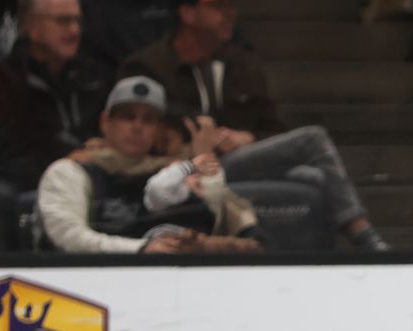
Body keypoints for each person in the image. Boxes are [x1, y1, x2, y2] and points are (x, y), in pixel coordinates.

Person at [118, 0, 389, 251]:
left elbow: (274, 129)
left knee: (315, 178)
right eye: (218, 6)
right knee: (313, 139)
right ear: (187, 13)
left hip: (236, 163)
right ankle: (363, 234)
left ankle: (324, 258)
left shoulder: (241, 62)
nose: (230, 13)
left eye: (232, 5)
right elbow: (142, 134)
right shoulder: (149, 67)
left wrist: (247, 137)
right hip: (184, 173)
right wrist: (196, 147)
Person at [37, 75, 263, 253]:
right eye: (127, 116)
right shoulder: (71, 171)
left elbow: (225, 220)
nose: (137, 127)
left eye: (148, 120)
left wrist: (207, 172)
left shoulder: (175, 173)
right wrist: (140, 250)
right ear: (105, 122)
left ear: (158, 130)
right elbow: (68, 237)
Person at [0, 0, 113, 193]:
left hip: (99, 185)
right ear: (31, 27)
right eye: (63, 21)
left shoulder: (94, 78)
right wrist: (65, 161)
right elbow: (4, 159)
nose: (75, 31)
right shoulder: (1, 82)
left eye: (78, 21)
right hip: (31, 192)